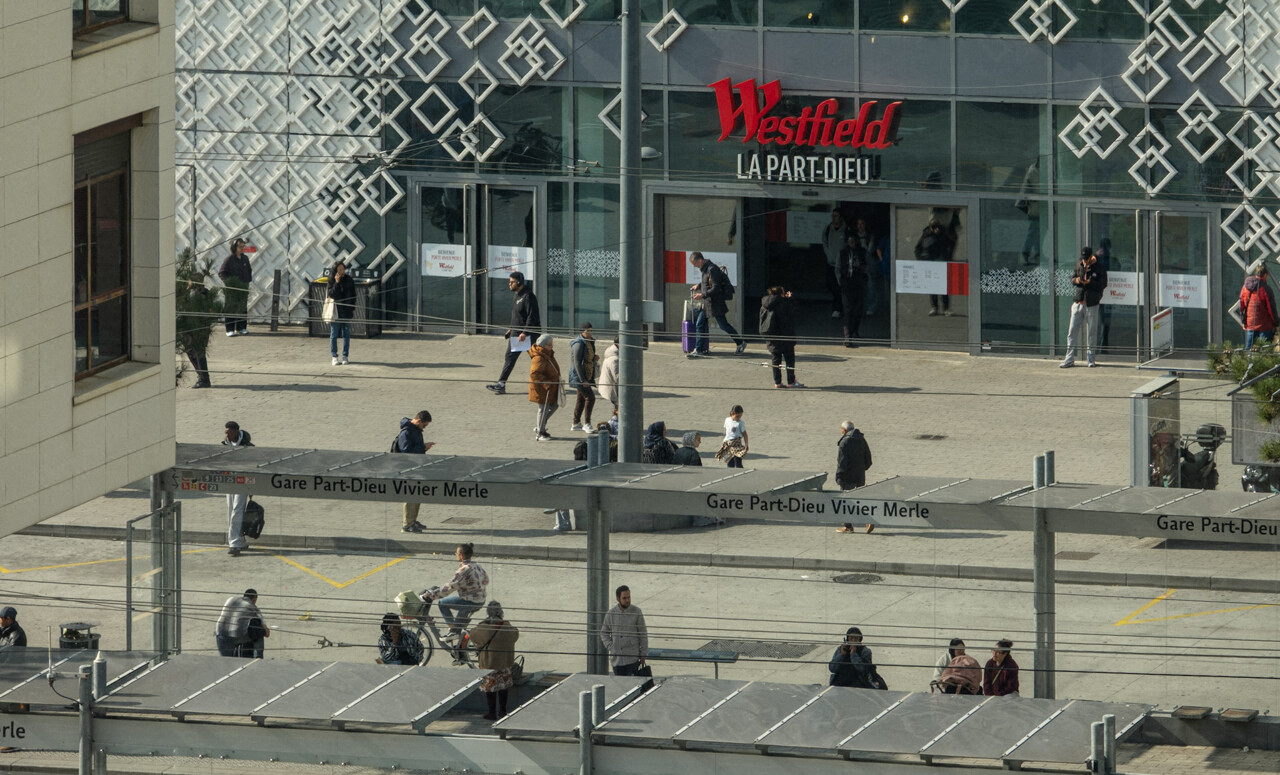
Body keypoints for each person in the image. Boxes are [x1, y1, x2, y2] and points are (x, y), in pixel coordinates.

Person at [486, 271, 541, 395]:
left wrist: (525, 332)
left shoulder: (528, 296)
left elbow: (532, 317)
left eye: (512, 282)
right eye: (509, 282)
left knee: (538, 358)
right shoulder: (517, 295)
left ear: (520, 282)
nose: (509, 284)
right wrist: (511, 328)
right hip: (516, 335)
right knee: (509, 359)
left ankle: (551, 380)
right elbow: (516, 315)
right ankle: (501, 384)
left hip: (528, 336)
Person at [423, 543, 489, 641]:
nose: (455, 554)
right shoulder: (477, 566)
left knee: (442, 603)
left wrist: (431, 595)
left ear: (461, 555)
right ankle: (456, 632)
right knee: (460, 622)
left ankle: (453, 631)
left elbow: (449, 588)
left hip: (470, 602)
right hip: (481, 600)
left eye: (456, 553)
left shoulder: (463, 570)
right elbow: (486, 580)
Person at [688, 252, 745, 358]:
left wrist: (702, 295)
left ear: (700, 260)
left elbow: (716, 287)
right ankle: (698, 350)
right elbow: (707, 282)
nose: (694, 266)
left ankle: (740, 342)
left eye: (694, 263)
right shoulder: (705, 269)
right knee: (699, 324)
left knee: (723, 325)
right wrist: (699, 285)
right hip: (707, 303)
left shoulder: (712, 269)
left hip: (715, 303)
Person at [471, 600, 520, 720]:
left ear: (488, 612)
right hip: (504, 663)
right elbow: (515, 635)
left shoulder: (484, 628)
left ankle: (491, 713)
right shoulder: (507, 627)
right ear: (501, 612)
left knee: (490, 690)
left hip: (489, 664)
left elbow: (473, 635)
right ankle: (503, 712)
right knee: (503, 688)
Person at [1060, 247, 1108, 368]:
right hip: (1078, 302)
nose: (1084, 261)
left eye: (1086, 258)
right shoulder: (1079, 265)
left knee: (1091, 332)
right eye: (1083, 258)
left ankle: (1091, 359)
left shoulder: (1099, 268)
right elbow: (1072, 279)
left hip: (1092, 304)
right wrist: (1078, 280)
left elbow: (1103, 284)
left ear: (1091, 256)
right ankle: (1069, 358)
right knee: (1072, 332)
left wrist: (1090, 282)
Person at [395, 410, 435, 533]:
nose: (425, 428)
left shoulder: (415, 430)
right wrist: (423, 447)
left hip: (416, 467)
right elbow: (407, 452)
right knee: (410, 496)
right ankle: (407, 524)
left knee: (417, 494)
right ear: (418, 421)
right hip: (408, 469)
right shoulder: (406, 433)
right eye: (424, 425)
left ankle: (413, 520)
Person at [600, 585, 648, 677]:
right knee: (620, 685)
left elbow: (643, 634)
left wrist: (643, 654)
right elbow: (604, 633)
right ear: (618, 599)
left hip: (632, 658)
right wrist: (611, 646)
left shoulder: (636, 612)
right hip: (617, 660)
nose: (627, 600)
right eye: (624, 598)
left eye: (629, 597)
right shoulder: (611, 614)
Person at [835, 420, 874, 534]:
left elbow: (841, 462)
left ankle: (848, 526)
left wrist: (839, 476)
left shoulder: (844, 442)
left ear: (844, 430)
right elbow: (868, 459)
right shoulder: (861, 439)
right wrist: (862, 469)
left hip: (847, 477)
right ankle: (868, 520)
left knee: (846, 501)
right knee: (859, 499)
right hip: (860, 476)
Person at [760, 286, 803, 388]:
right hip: (785, 336)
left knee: (775, 359)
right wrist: (791, 299)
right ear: (781, 294)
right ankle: (791, 381)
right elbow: (794, 313)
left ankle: (777, 382)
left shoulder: (764, 305)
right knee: (789, 360)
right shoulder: (783, 304)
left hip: (771, 336)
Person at [222, 421, 254, 556]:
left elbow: (253, 466)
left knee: (237, 510)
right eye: (225, 433)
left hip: (242, 482)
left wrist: (252, 487)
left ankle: (234, 543)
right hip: (229, 482)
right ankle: (239, 539)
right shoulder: (224, 445)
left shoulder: (248, 447)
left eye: (228, 432)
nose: (226, 435)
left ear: (236, 431)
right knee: (231, 510)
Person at [914, 219, 953, 316]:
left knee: (943, 287)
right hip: (930, 263)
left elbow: (950, 245)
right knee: (932, 286)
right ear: (931, 228)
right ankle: (935, 307)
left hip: (940, 262)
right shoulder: (926, 235)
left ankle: (946, 308)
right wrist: (920, 259)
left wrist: (947, 256)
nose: (937, 230)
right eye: (935, 228)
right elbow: (917, 248)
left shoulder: (943, 235)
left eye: (938, 228)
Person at [215, 589, 269, 658]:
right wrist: (265, 631)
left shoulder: (231, 599)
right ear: (254, 599)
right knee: (259, 632)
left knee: (226, 662)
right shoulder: (252, 606)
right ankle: (258, 657)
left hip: (220, 633)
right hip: (235, 635)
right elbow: (265, 629)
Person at [529, 333, 561, 442]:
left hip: (550, 387)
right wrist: (547, 383)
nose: (552, 347)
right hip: (543, 388)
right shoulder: (539, 357)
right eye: (549, 345)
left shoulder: (547, 354)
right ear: (543, 345)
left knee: (555, 405)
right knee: (543, 409)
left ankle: (540, 426)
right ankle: (541, 432)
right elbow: (535, 374)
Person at [838, 234, 870, 345]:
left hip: (858, 284)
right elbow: (838, 268)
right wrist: (841, 281)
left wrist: (860, 266)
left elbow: (867, 267)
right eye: (849, 241)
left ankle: (854, 330)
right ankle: (847, 336)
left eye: (853, 241)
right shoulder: (843, 253)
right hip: (847, 284)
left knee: (858, 310)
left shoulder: (861, 252)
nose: (851, 244)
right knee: (847, 310)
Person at [568, 322, 599, 432]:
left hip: (587, 374)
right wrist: (583, 380)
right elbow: (576, 362)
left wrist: (594, 358)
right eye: (588, 331)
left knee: (581, 399)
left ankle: (575, 423)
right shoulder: (579, 343)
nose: (590, 333)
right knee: (590, 398)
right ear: (582, 332)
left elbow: (587, 357)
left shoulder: (589, 342)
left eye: (591, 330)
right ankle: (587, 423)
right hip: (579, 376)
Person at [218, 237, 253, 335]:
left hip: (243, 288)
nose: (242, 248)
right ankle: (230, 329)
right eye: (240, 246)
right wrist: (230, 282)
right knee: (231, 308)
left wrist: (247, 281)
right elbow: (222, 273)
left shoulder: (245, 258)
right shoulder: (229, 259)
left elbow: (249, 270)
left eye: (243, 246)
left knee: (242, 308)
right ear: (234, 247)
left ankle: (241, 327)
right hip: (232, 289)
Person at [1240, 263, 1278, 350]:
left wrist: (1243, 321)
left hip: (1250, 324)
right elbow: (1271, 309)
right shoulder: (1266, 289)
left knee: (1249, 350)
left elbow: (1241, 305)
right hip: (1265, 325)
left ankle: (1246, 362)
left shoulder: (1245, 287)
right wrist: (1276, 323)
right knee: (1265, 351)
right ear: (1265, 275)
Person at [326, 260, 357, 366]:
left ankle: (345, 355)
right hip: (336, 310)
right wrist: (337, 283)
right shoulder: (331, 280)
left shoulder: (349, 279)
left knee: (346, 334)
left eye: (343, 269)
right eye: (339, 270)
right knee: (334, 334)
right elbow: (331, 294)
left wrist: (352, 307)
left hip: (346, 309)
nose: (342, 272)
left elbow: (354, 294)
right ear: (335, 271)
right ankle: (334, 356)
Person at [821, 207, 849, 318]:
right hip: (830, 262)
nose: (834, 218)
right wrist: (829, 255)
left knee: (840, 286)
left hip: (841, 264)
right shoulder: (828, 229)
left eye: (836, 216)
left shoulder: (846, 230)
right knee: (831, 284)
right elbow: (824, 242)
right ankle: (838, 306)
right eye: (832, 216)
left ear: (841, 218)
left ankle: (838, 308)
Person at [597, 338, 620, 413]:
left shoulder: (612, 352)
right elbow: (617, 377)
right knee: (619, 411)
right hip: (613, 390)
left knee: (618, 410)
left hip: (611, 388)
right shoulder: (614, 359)